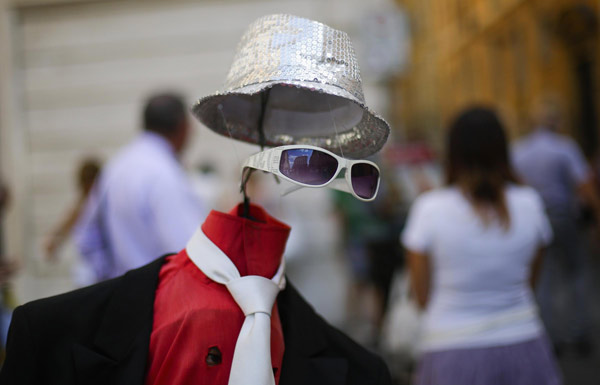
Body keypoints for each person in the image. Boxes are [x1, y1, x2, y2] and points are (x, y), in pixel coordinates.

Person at [402, 107, 561, 384]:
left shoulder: (429, 209)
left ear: (452, 152)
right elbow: (530, 281)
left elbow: (421, 296)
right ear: (503, 148)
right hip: (523, 343)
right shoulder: (530, 203)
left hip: (450, 348)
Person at [74, 93, 205, 283]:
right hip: (157, 300)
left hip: (123, 297)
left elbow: (86, 239)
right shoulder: (165, 174)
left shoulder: (116, 167)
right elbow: (190, 252)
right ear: (182, 127)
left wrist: (112, 282)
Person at [512, 97, 600, 355]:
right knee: (578, 272)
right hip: (564, 218)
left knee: (544, 277)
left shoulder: (519, 150)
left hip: (534, 219)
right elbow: (584, 186)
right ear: (556, 121)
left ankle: (551, 336)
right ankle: (579, 331)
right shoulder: (564, 147)